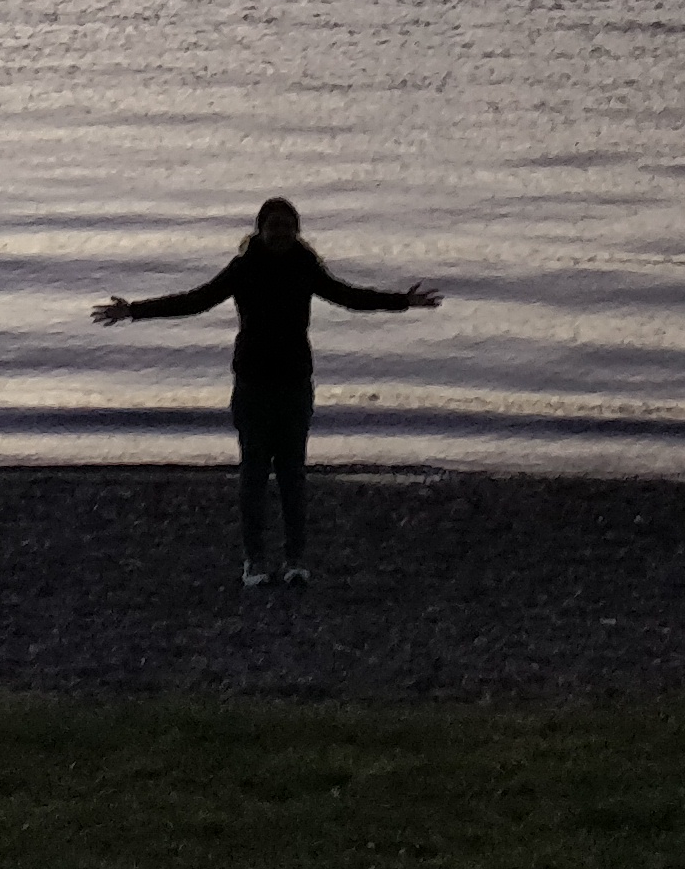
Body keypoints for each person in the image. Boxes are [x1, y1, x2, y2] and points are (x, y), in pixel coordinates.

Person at [94, 196, 441, 585]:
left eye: (287, 227)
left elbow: (349, 297)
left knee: (292, 475)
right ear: (260, 230)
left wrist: (403, 302)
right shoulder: (244, 268)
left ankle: (295, 561)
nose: (280, 234)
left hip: (294, 384)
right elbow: (197, 300)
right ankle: (254, 562)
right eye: (273, 226)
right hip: (253, 385)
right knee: (254, 475)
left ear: (297, 231)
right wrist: (134, 310)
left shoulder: (305, 266)